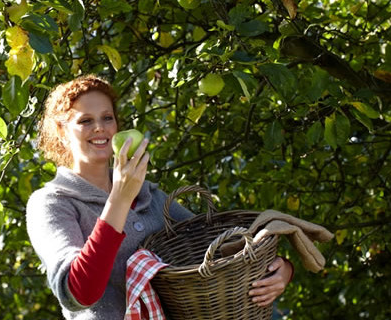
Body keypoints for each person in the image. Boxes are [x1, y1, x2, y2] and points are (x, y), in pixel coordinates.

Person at [26, 74, 294, 320]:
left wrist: (279, 270)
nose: (99, 128)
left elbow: (216, 250)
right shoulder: (51, 203)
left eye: (107, 118)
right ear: (61, 133)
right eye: (85, 120)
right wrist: (119, 199)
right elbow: (78, 293)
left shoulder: (149, 195)